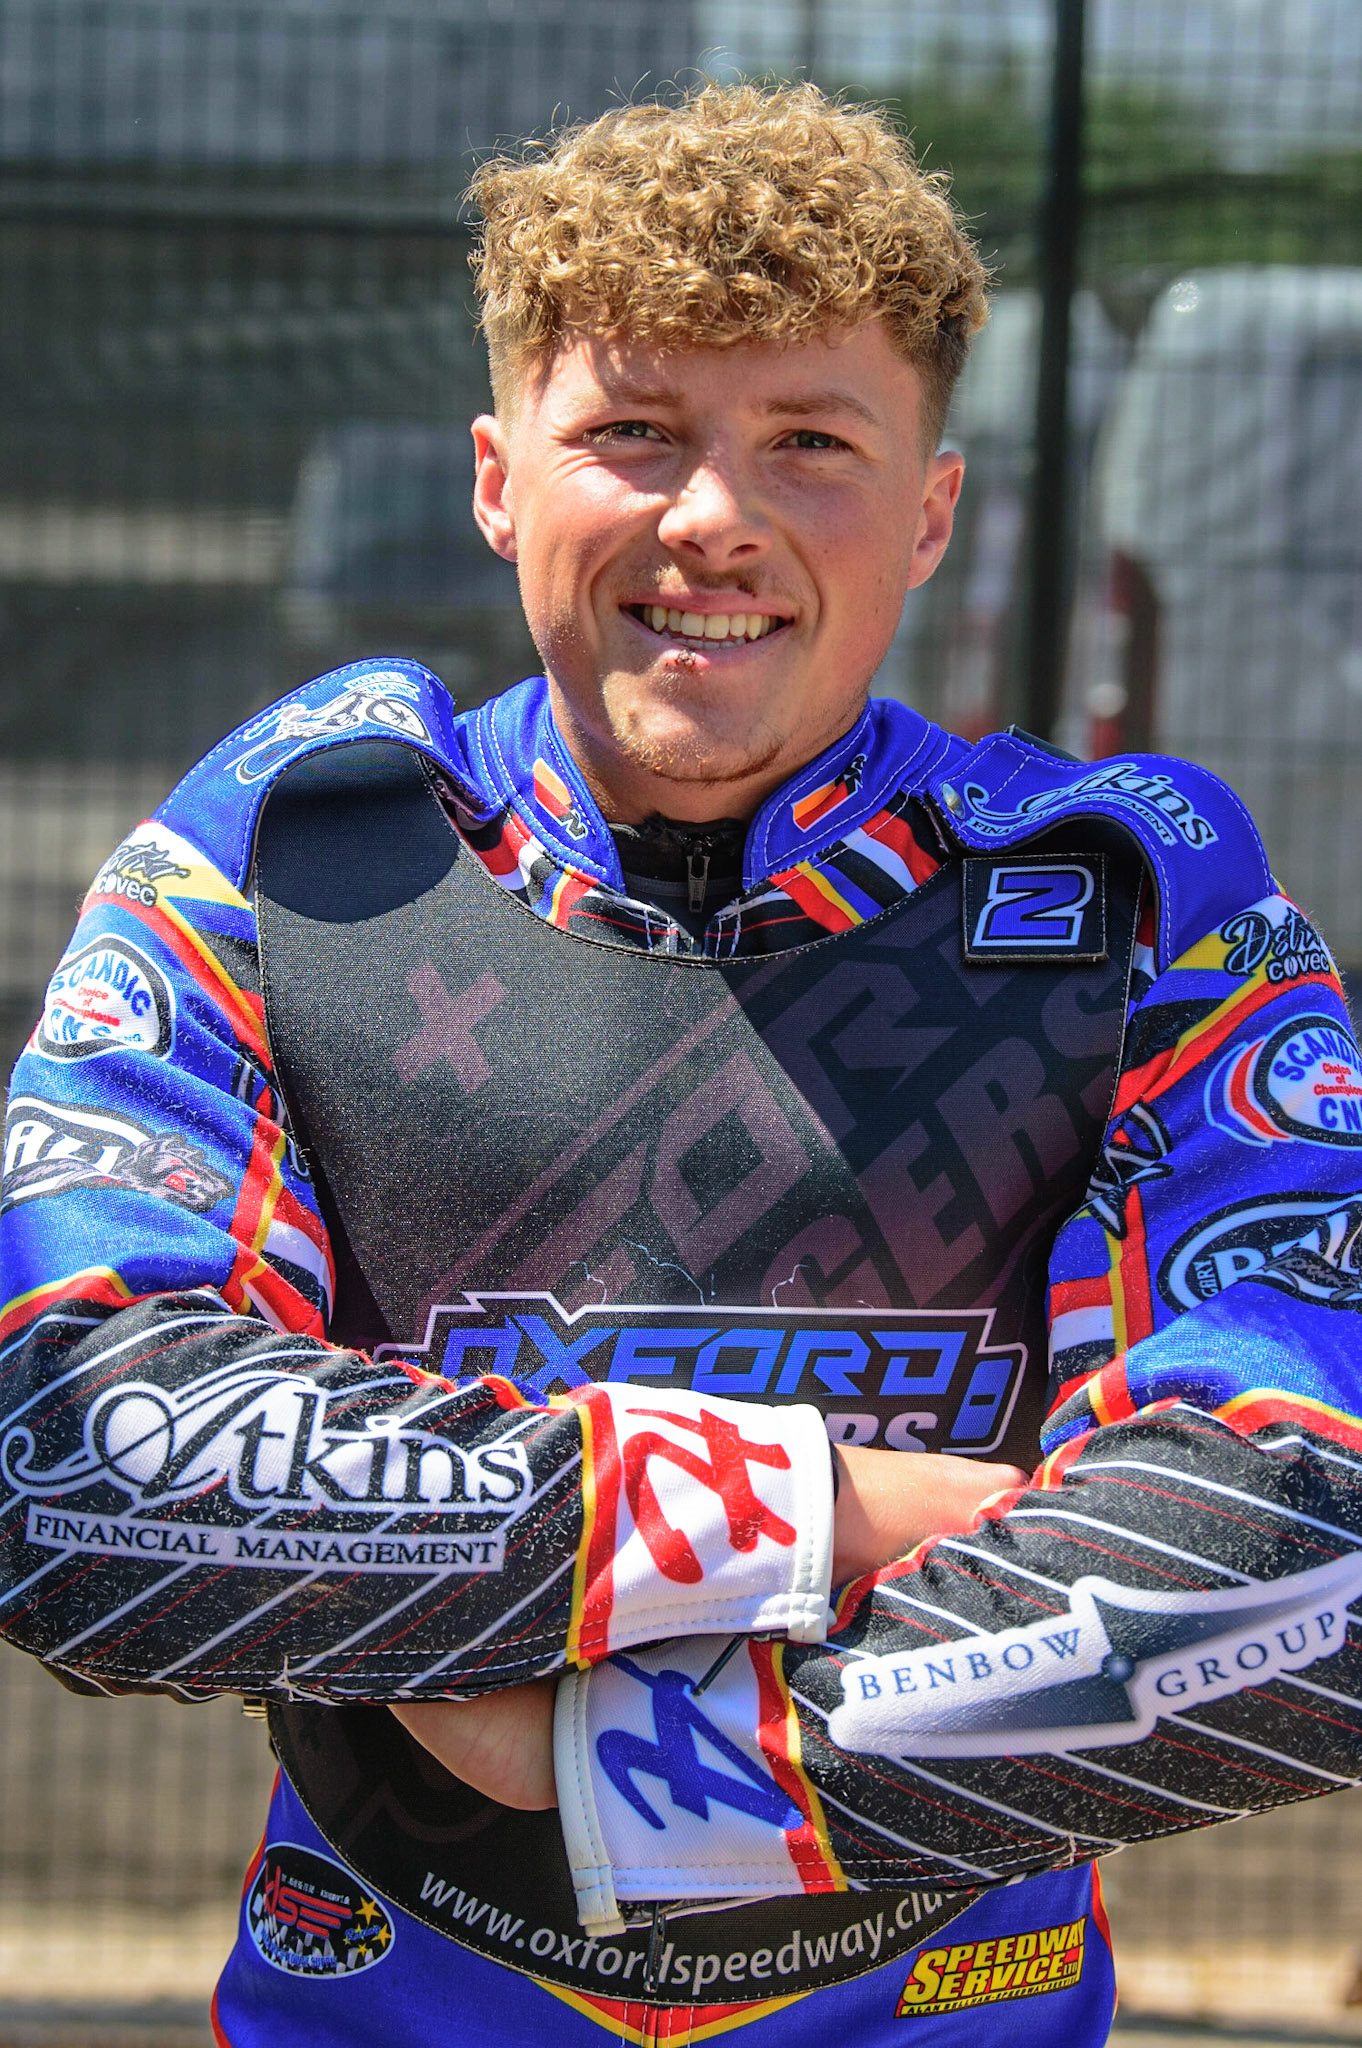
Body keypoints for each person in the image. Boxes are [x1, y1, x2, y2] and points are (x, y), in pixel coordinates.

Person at [3, 79, 1362, 2048]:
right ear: (498, 480)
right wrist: (812, 1506)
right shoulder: (294, 848)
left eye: (809, 440)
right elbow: (70, 1459)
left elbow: (1310, 1553)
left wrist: (604, 1765)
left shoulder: (1134, 892)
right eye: (633, 431)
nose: (713, 514)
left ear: (930, 512)